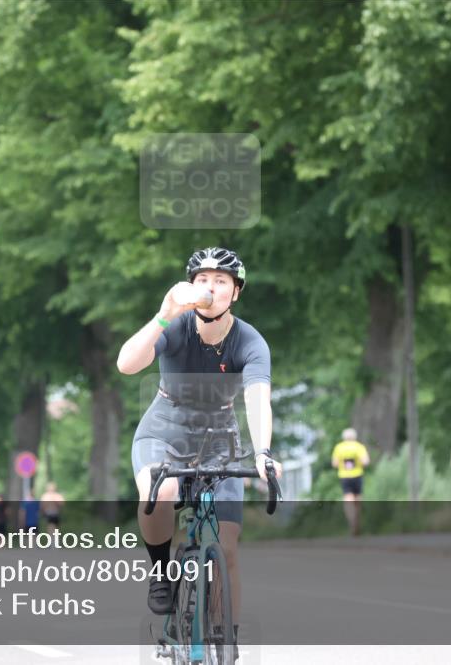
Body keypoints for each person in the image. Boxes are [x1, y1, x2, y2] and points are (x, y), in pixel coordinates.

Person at [117, 246, 282, 651]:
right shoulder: (174, 327)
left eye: (221, 281)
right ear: (191, 288)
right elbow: (126, 364)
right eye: (202, 280)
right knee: (161, 492)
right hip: (164, 430)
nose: (210, 287)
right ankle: (161, 570)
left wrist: (262, 452)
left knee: (227, 545)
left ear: (235, 292)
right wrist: (163, 314)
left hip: (219, 439)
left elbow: (258, 398)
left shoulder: (250, 341)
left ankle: (225, 638)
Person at [331, 428, 369, 536]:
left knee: (348, 500)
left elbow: (334, 463)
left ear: (344, 437)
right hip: (357, 476)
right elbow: (366, 461)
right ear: (354, 437)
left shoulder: (339, 447)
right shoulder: (359, 447)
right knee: (357, 501)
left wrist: (343, 462)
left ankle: (351, 521)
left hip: (345, 477)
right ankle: (356, 521)